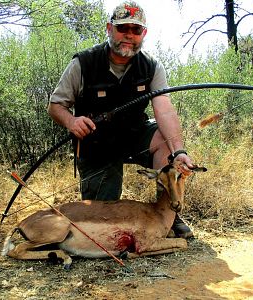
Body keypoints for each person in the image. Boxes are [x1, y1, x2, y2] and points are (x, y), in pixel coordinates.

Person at [48, 1, 194, 239]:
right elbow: (55, 106)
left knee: (167, 141)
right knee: (103, 220)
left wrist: (179, 152)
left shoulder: (152, 67)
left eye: (136, 30)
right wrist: (72, 122)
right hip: (97, 144)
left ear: (143, 34)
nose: (129, 35)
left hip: (135, 135)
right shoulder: (83, 63)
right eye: (122, 28)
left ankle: (170, 215)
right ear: (109, 28)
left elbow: (164, 110)